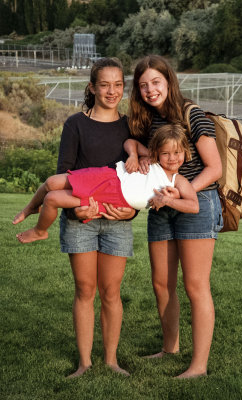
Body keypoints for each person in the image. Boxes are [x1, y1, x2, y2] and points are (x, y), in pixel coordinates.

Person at [17, 57, 136, 378]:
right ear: (92, 87)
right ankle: (85, 362)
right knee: (85, 290)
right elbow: (63, 174)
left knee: (111, 291)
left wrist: (132, 210)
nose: (112, 91)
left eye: (118, 84)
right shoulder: (75, 124)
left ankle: (111, 360)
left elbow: (138, 181)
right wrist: (75, 208)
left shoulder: (131, 127)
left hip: (117, 221)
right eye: (105, 84)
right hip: (79, 217)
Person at [128, 55, 223, 379]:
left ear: (169, 81)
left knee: (196, 285)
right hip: (161, 207)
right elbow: (141, 150)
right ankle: (170, 347)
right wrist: (136, 155)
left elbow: (215, 168)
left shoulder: (191, 114)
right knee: (161, 283)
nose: (150, 90)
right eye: (143, 85)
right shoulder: (148, 120)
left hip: (197, 203)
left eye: (155, 82)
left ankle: (198, 366)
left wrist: (181, 192)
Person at [13, 125, 199, 243]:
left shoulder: (178, 181)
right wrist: (134, 156)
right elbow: (129, 142)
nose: (172, 158)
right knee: (52, 182)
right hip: (108, 177)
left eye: (177, 153)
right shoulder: (152, 159)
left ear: (186, 152)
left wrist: (168, 201)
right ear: (158, 151)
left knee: (52, 199)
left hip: (115, 201)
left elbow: (193, 205)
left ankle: (40, 231)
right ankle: (30, 207)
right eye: (166, 153)